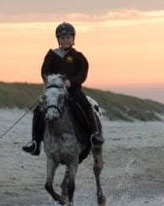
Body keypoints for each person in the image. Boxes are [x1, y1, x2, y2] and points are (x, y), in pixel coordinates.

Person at [23, 21, 104, 155]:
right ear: (58, 39)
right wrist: (52, 81)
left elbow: (82, 74)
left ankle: (94, 135)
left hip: (73, 90)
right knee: (38, 109)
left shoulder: (79, 57)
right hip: (54, 90)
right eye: (62, 37)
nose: (65, 40)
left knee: (86, 106)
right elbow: (45, 71)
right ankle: (35, 142)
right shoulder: (51, 55)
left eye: (68, 37)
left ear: (73, 39)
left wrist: (70, 82)